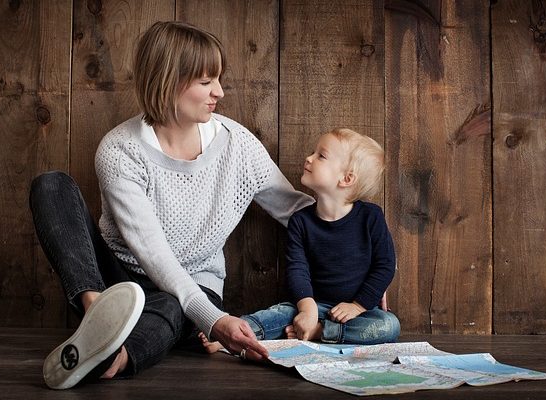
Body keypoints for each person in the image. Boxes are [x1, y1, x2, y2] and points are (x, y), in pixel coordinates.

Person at [29, 20, 313, 390]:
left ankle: (113, 357)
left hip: (192, 286)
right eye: (206, 81)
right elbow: (152, 252)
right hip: (116, 280)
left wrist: (362, 254)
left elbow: (296, 210)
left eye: (218, 79)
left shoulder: (237, 145)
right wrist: (215, 322)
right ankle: (98, 314)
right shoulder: (120, 150)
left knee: (173, 306)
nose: (220, 92)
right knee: (51, 186)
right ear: (169, 80)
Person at [202, 128, 399, 352]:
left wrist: (358, 306)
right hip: (313, 303)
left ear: (346, 179)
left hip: (358, 312)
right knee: (278, 314)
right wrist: (307, 309)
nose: (309, 158)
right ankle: (230, 336)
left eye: (321, 156)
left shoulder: (370, 217)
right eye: (313, 152)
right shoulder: (301, 221)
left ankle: (320, 332)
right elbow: (297, 269)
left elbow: (384, 266)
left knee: (389, 326)